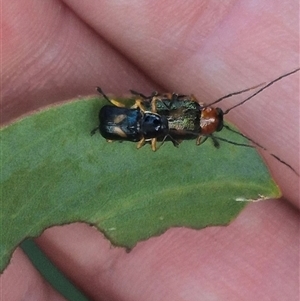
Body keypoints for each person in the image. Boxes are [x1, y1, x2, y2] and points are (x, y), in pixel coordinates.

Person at [2, 1, 299, 300]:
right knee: (154, 117)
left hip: (154, 122)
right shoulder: (191, 115)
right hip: (153, 120)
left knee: (154, 120)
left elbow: (176, 115)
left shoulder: (192, 118)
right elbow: (174, 110)